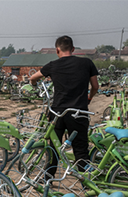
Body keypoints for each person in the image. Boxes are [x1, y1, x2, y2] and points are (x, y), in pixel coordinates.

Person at [29, 35, 99, 176]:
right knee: (80, 150)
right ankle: (86, 185)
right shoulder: (87, 63)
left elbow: (33, 77)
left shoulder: (53, 65)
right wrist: (89, 97)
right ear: (73, 49)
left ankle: (48, 179)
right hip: (79, 113)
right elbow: (95, 86)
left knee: (53, 147)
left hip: (57, 114)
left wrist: (34, 85)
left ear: (57, 50)